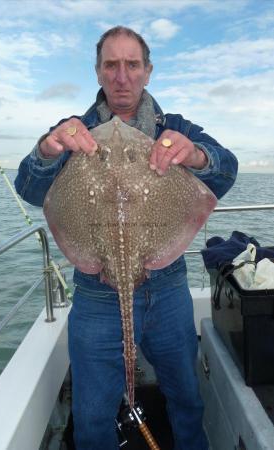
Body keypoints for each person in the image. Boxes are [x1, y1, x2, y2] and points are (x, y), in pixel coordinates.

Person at [15, 26, 238, 450]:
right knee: (92, 412)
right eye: (111, 65)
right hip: (97, 294)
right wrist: (47, 150)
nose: (122, 76)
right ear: (98, 73)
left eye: (132, 65)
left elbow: (227, 170)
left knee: (186, 397)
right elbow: (30, 190)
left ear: (147, 72)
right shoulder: (72, 133)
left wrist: (196, 155)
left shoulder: (174, 127)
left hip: (168, 284)